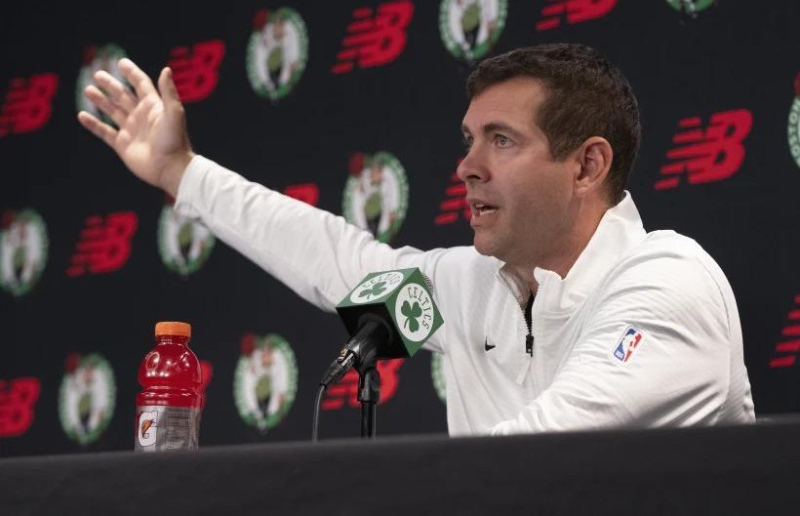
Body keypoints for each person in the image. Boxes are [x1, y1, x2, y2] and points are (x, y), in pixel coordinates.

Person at [77, 43, 755, 436]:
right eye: (469, 140)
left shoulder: (666, 281)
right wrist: (181, 172)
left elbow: (544, 459)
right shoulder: (474, 287)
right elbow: (336, 261)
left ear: (587, 166)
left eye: (502, 140)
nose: (467, 167)